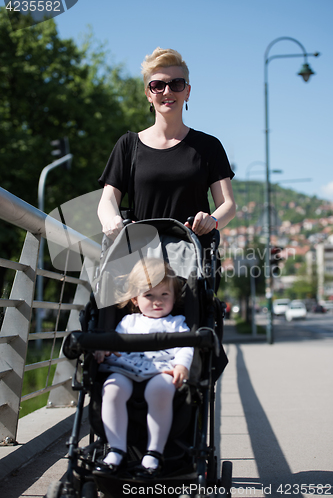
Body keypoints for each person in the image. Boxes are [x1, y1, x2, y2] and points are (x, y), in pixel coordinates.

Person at [97, 47, 236, 241]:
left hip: (194, 261)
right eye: (157, 85)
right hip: (141, 261)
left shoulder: (209, 146)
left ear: (187, 92)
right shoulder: (128, 145)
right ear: (148, 94)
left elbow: (228, 205)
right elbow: (108, 200)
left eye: (176, 84)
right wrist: (111, 220)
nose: (167, 91)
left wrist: (212, 220)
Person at [94, 258, 194, 478]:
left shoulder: (177, 323)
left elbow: (186, 347)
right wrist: (103, 349)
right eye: (149, 295)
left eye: (164, 295)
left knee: (160, 390)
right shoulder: (129, 322)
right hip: (126, 370)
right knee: (111, 389)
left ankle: (154, 453)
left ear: (174, 297)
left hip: (161, 371)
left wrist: (181, 365)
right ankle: (116, 450)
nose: (157, 301)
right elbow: (114, 342)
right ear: (135, 299)